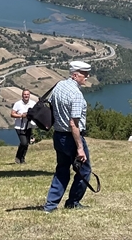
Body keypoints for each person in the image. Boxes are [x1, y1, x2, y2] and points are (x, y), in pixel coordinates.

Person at [43, 61, 91, 212]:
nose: (87, 77)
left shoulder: (59, 86)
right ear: (75, 75)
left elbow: (50, 104)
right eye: (84, 74)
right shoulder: (76, 94)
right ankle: (73, 202)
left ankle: (50, 206)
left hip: (58, 136)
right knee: (84, 171)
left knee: (62, 170)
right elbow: (73, 124)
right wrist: (80, 148)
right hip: (72, 137)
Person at [11, 88, 38, 164]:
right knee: (24, 143)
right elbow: (12, 114)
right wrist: (21, 115)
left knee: (26, 143)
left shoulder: (33, 103)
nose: (26, 96)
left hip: (28, 126)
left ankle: (22, 159)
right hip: (19, 126)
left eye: (27, 94)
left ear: (29, 95)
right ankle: (18, 157)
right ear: (22, 95)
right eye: (24, 94)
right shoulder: (18, 104)